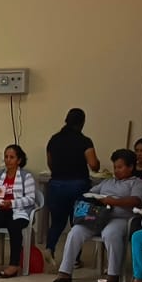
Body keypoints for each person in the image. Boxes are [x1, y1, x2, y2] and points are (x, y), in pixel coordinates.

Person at [52, 148, 142, 282]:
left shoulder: (137, 183)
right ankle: (65, 272)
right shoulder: (107, 182)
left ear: (131, 167)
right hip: (98, 216)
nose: (116, 170)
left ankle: (113, 274)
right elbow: (90, 193)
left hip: (120, 219)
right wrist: (93, 198)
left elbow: (136, 201)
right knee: (75, 231)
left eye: (120, 167)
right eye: (115, 167)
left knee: (110, 233)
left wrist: (113, 201)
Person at [43, 108, 101, 260]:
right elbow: (93, 165)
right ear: (82, 123)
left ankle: (50, 248)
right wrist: (98, 164)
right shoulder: (84, 141)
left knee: (57, 222)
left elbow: (50, 163)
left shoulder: (54, 139)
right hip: (78, 185)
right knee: (78, 223)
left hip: (56, 185)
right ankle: (75, 259)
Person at [0, 144, 38, 278]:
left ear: (19, 160)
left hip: (20, 212)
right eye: (6, 157)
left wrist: (12, 203)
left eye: (12, 157)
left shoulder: (26, 176)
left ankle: (14, 265)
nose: (8, 160)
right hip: (2, 210)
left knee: (14, 226)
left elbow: (31, 199)